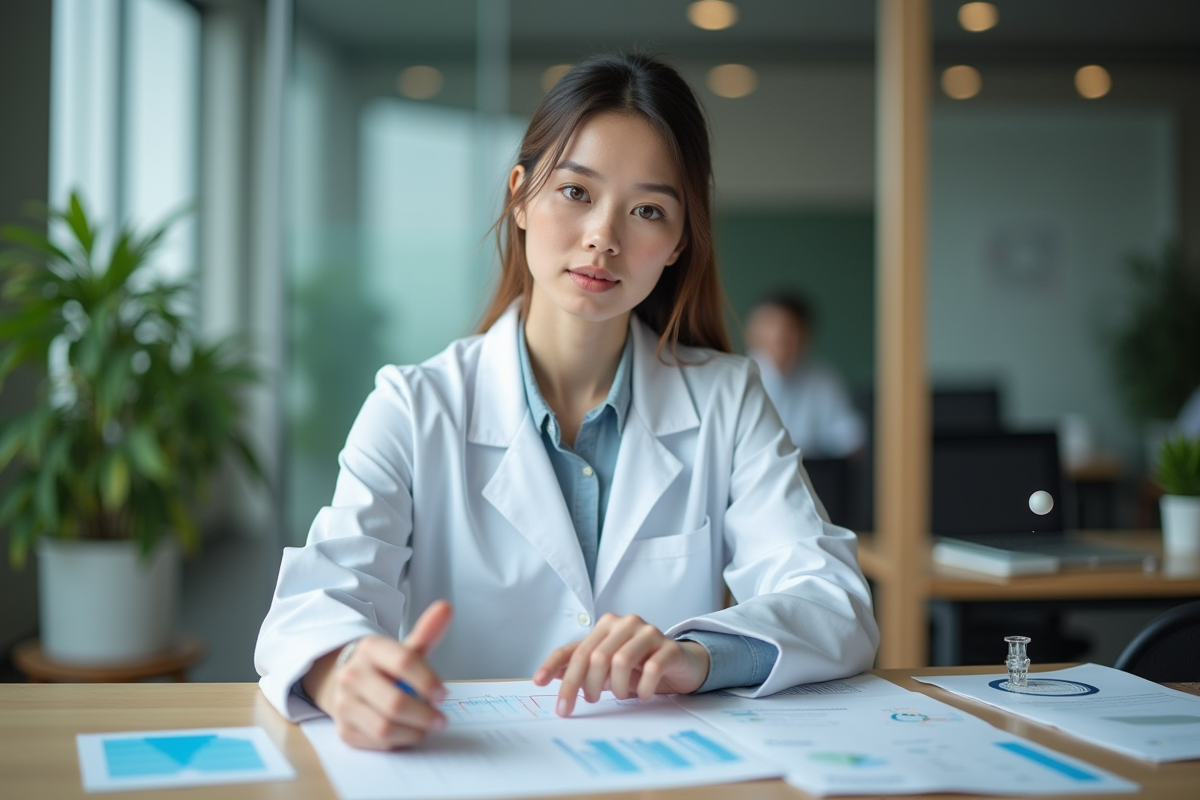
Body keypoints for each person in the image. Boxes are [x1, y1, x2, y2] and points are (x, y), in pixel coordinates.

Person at [255, 53, 878, 751]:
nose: (603, 238)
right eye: (576, 192)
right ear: (520, 195)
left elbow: (836, 605)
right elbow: (313, 604)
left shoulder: (727, 399)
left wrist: (695, 657)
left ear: (677, 243)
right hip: (472, 773)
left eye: (648, 210)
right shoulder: (414, 404)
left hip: (659, 777)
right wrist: (344, 677)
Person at [744, 292, 865, 458]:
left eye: (788, 330)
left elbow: (849, 438)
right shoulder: (738, 377)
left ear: (805, 335)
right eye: (768, 325)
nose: (777, 336)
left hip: (810, 472)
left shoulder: (823, 378)